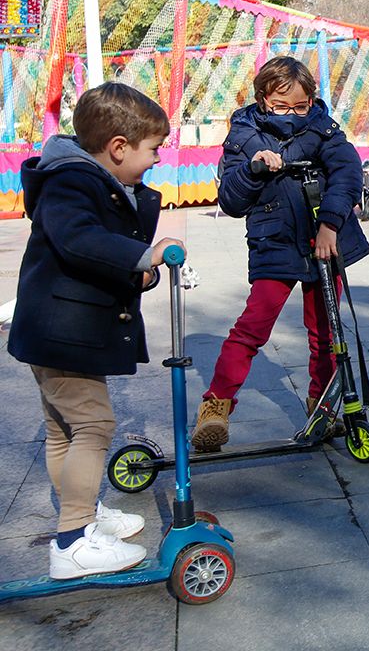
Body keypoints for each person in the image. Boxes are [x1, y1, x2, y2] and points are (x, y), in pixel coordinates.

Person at [8, 82, 180, 578]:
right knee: (94, 426)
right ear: (118, 147)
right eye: (153, 149)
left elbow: (97, 250)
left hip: (61, 328)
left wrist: (137, 270)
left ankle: (78, 515)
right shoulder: (71, 181)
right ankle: (74, 540)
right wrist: (143, 255)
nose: (157, 159)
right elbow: (79, 239)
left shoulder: (92, 178)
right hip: (62, 329)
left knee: (64, 429)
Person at [191, 56, 369, 452]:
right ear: (261, 100)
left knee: (326, 333)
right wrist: (253, 170)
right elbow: (231, 200)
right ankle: (215, 409)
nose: (292, 114)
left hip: (323, 240)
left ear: (312, 100)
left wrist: (330, 224)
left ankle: (321, 406)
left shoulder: (324, 129)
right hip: (274, 241)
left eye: (300, 106)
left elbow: (347, 175)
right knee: (252, 327)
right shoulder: (243, 135)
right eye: (281, 106)